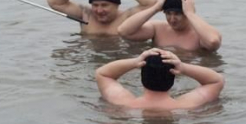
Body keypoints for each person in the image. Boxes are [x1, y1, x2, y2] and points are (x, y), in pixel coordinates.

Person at [95, 48, 224, 110]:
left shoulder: (123, 104)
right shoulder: (185, 107)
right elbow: (216, 80)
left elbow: (103, 74)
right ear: (173, 76)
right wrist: (183, 67)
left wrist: (134, 62)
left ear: (142, 76)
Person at [116, 0, 222, 52]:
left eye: (177, 14)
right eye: (168, 13)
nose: (172, 19)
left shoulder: (200, 34)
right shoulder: (158, 28)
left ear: (186, 13)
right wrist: (155, 8)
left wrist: (190, 13)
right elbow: (123, 31)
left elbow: (212, 42)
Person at [46, 0, 156, 36]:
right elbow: (53, 1)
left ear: (116, 4)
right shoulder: (85, 14)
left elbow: (153, 3)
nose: (99, 10)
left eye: (104, 5)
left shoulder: (127, 17)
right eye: (95, 5)